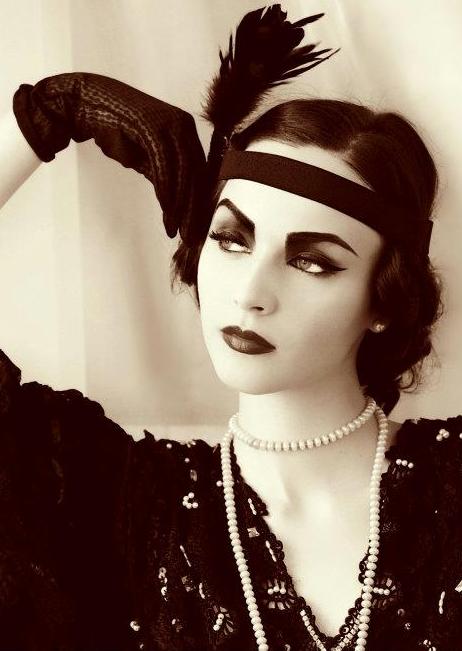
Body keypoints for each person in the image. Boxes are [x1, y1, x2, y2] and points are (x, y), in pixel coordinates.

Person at [0, 5, 460, 651]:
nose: (250, 293)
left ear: (385, 298)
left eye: (312, 261)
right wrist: (50, 114)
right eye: (232, 239)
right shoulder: (117, 503)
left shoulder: (451, 485)